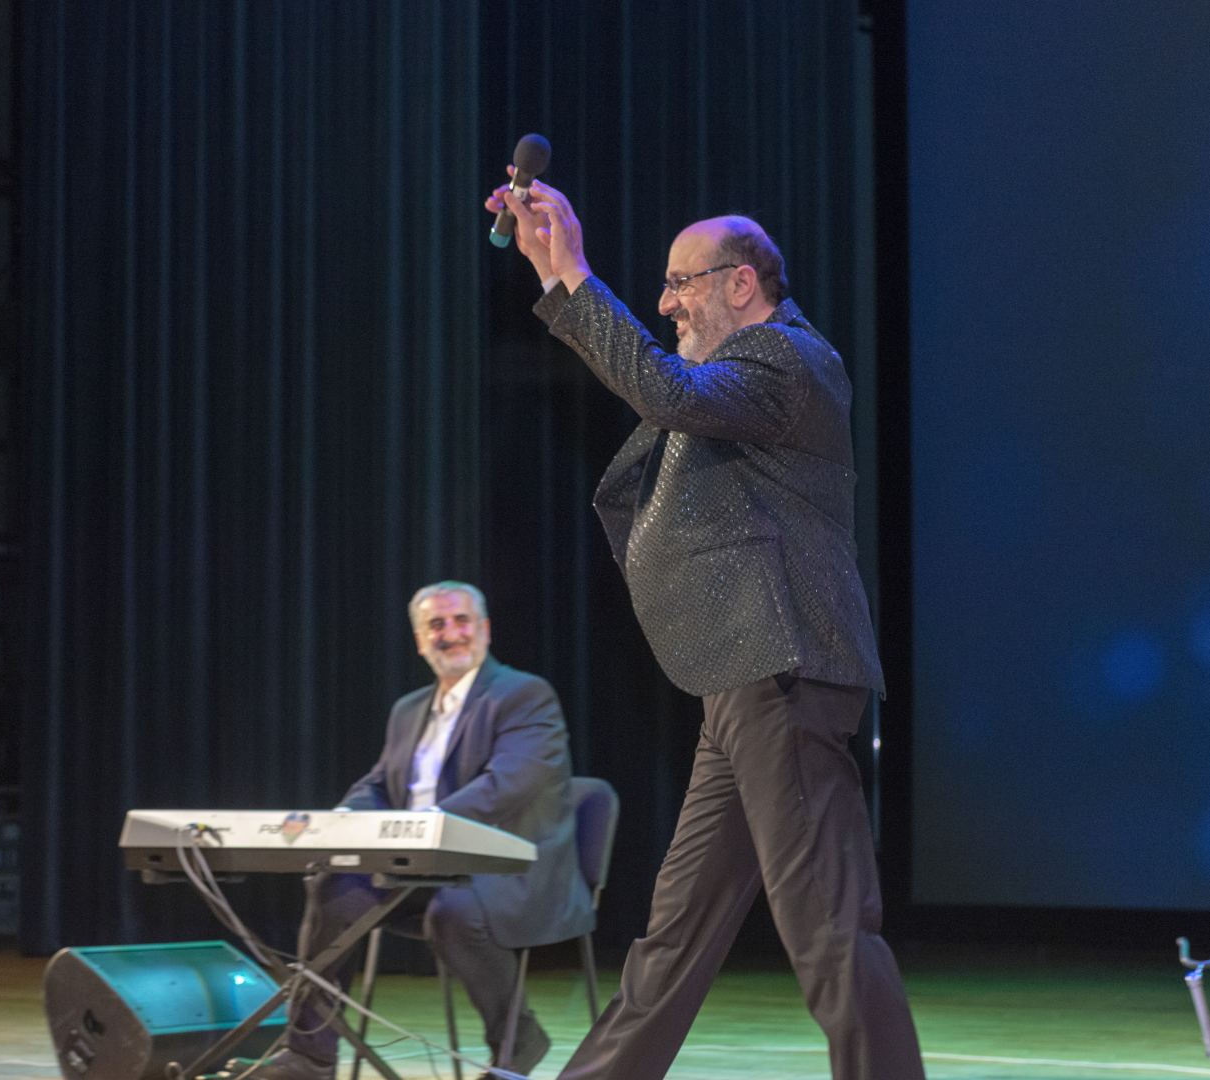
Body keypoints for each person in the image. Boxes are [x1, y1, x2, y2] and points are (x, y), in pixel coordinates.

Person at [484, 174, 925, 1079]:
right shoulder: (737, 379)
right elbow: (667, 391)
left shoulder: (787, 360)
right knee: (676, 934)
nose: (665, 302)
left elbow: (663, 391)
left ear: (741, 283)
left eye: (679, 282)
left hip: (783, 666)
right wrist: (552, 270)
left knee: (827, 924)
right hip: (739, 677)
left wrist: (573, 271)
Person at [232, 581, 591, 1080]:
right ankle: (310, 1055)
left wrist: (420, 827)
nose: (451, 633)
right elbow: (379, 784)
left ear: (485, 629)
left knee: (454, 911)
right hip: (422, 868)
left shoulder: (524, 695)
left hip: (508, 872)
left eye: (462, 621)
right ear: (421, 641)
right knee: (335, 887)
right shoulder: (409, 709)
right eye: (436, 625)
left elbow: (509, 784)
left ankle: (517, 1039)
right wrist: (344, 819)